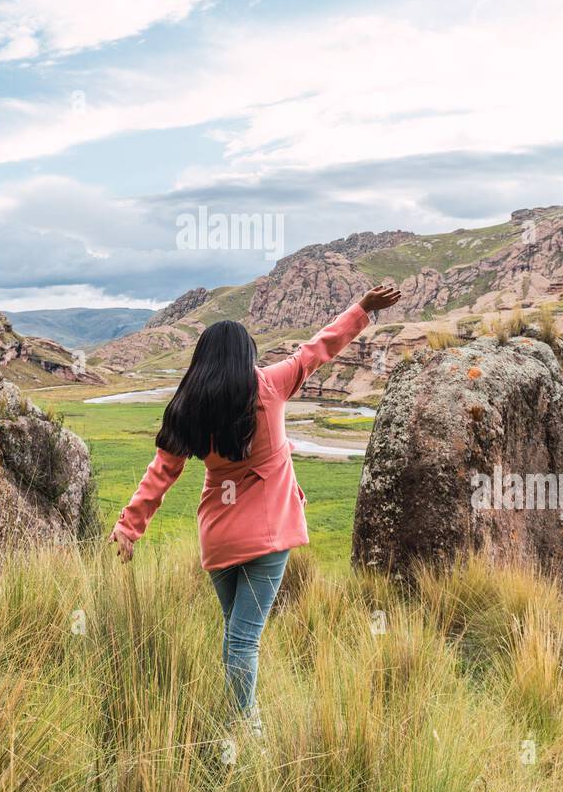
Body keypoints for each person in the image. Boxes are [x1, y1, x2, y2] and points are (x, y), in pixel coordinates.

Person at [109, 284, 401, 741]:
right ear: (248, 356)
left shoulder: (189, 407)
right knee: (244, 641)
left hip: (220, 539)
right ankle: (247, 738)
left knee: (235, 637)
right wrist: (363, 309)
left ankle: (244, 725)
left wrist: (130, 525)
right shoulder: (271, 383)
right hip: (269, 537)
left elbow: (162, 470)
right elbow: (318, 348)